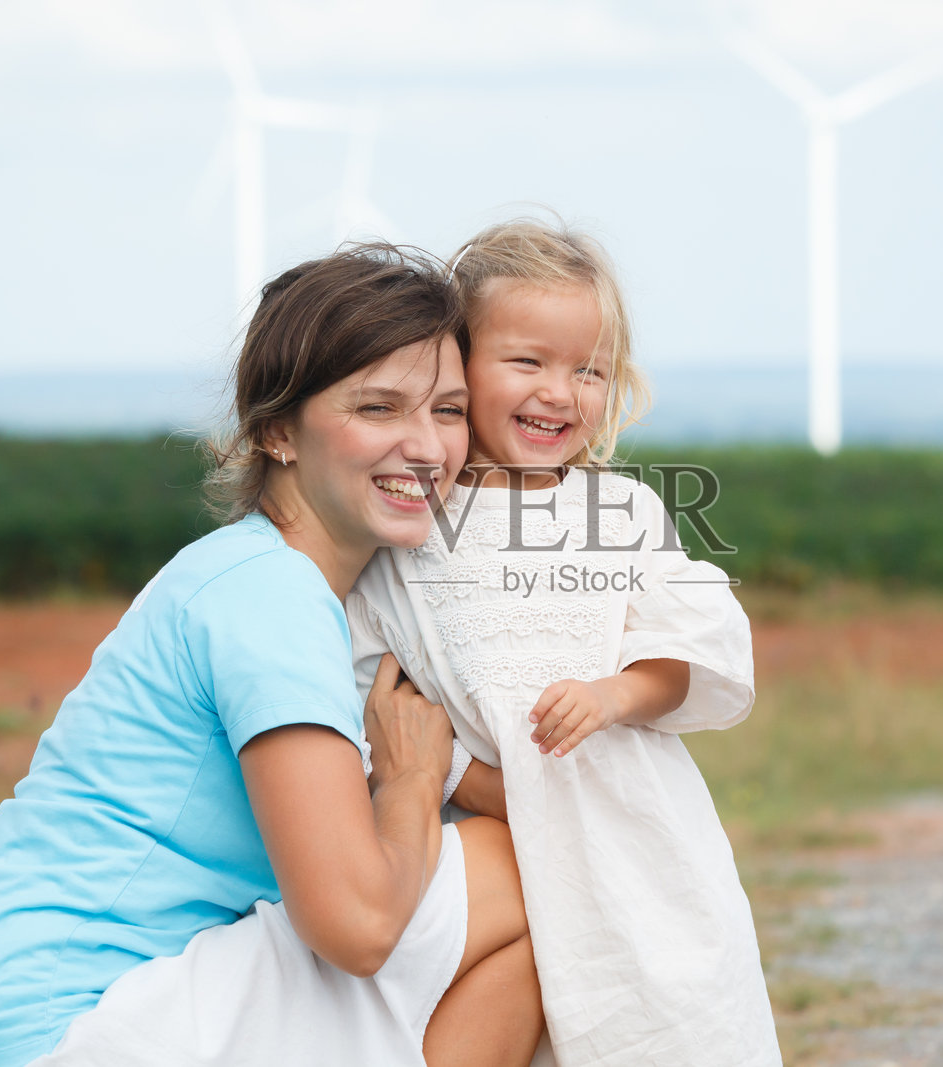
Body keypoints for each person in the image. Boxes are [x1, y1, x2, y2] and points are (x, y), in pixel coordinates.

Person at [0, 245, 544, 1067]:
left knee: (524, 933)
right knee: (521, 867)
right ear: (275, 431)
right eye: (378, 407)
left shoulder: (248, 574)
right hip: (47, 1033)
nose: (428, 445)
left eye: (448, 410)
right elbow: (358, 926)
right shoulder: (271, 594)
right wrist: (411, 780)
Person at [347, 220, 782, 1066]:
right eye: (528, 361)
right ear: (457, 363)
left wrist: (616, 693)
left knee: (665, 1021)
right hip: (493, 839)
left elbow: (688, 650)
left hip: (637, 839)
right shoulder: (414, 521)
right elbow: (376, 690)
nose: (560, 392)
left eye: (589, 369)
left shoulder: (620, 512)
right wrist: (481, 786)